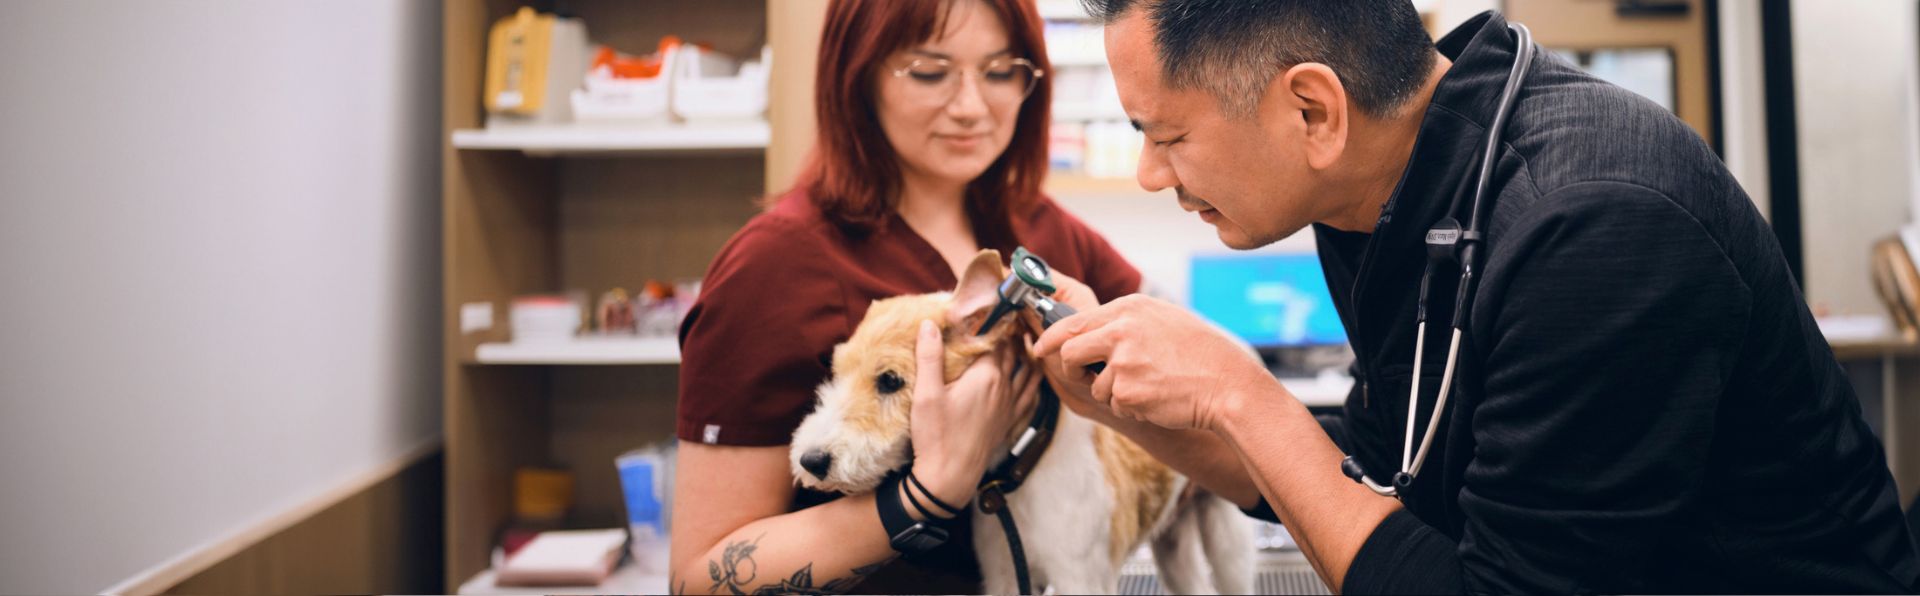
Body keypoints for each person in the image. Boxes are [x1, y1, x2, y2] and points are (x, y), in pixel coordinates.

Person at [1028, 0, 1920, 593]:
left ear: (1313, 112)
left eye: (1168, 134)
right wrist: (1137, 410)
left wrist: (1239, 392)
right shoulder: (1380, 192)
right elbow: (1384, 469)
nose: (1149, 174)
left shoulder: (1595, 225)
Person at [669, 0, 1143, 593]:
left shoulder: (1042, 232)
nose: (972, 107)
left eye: (1000, 72)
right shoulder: (773, 268)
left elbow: (1162, 360)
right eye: (928, 71)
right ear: (856, 73)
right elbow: (697, 579)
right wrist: (926, 493)